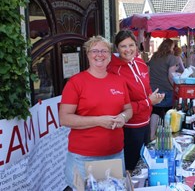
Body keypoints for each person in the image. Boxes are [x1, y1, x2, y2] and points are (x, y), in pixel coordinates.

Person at [59, 35, 133, 188]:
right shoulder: (76, 82)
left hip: (114, 154)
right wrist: (99, 121)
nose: (100, 54)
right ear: (87, 54)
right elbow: (64, 119)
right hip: (84, 157)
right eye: (95, 51)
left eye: (104, 51)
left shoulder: (118, 81)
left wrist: (123, 117)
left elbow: (128, 109)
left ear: (110, 56)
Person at [107, 30, 164, 173]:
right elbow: (118, 106)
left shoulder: (140, 62)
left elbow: (146, 87)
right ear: (117, 48)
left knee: (143, 165)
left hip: (146, 120)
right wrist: (148, 101)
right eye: (123, 46)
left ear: (136, 45)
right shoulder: (113, 70)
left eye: (131, 45)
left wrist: (153, 98)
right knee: (131, 168)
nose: (128, 50)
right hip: (130, 126)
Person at [149, 38, 178, 119]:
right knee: (168, 114)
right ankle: (166, 131)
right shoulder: (171, 58)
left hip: (153, 89)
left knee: (155, 112)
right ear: (170, 47)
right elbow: (171, 76)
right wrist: (175, 87)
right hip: (166, 89)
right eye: (173, 47)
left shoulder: (154, 56)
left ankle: (153, 132)